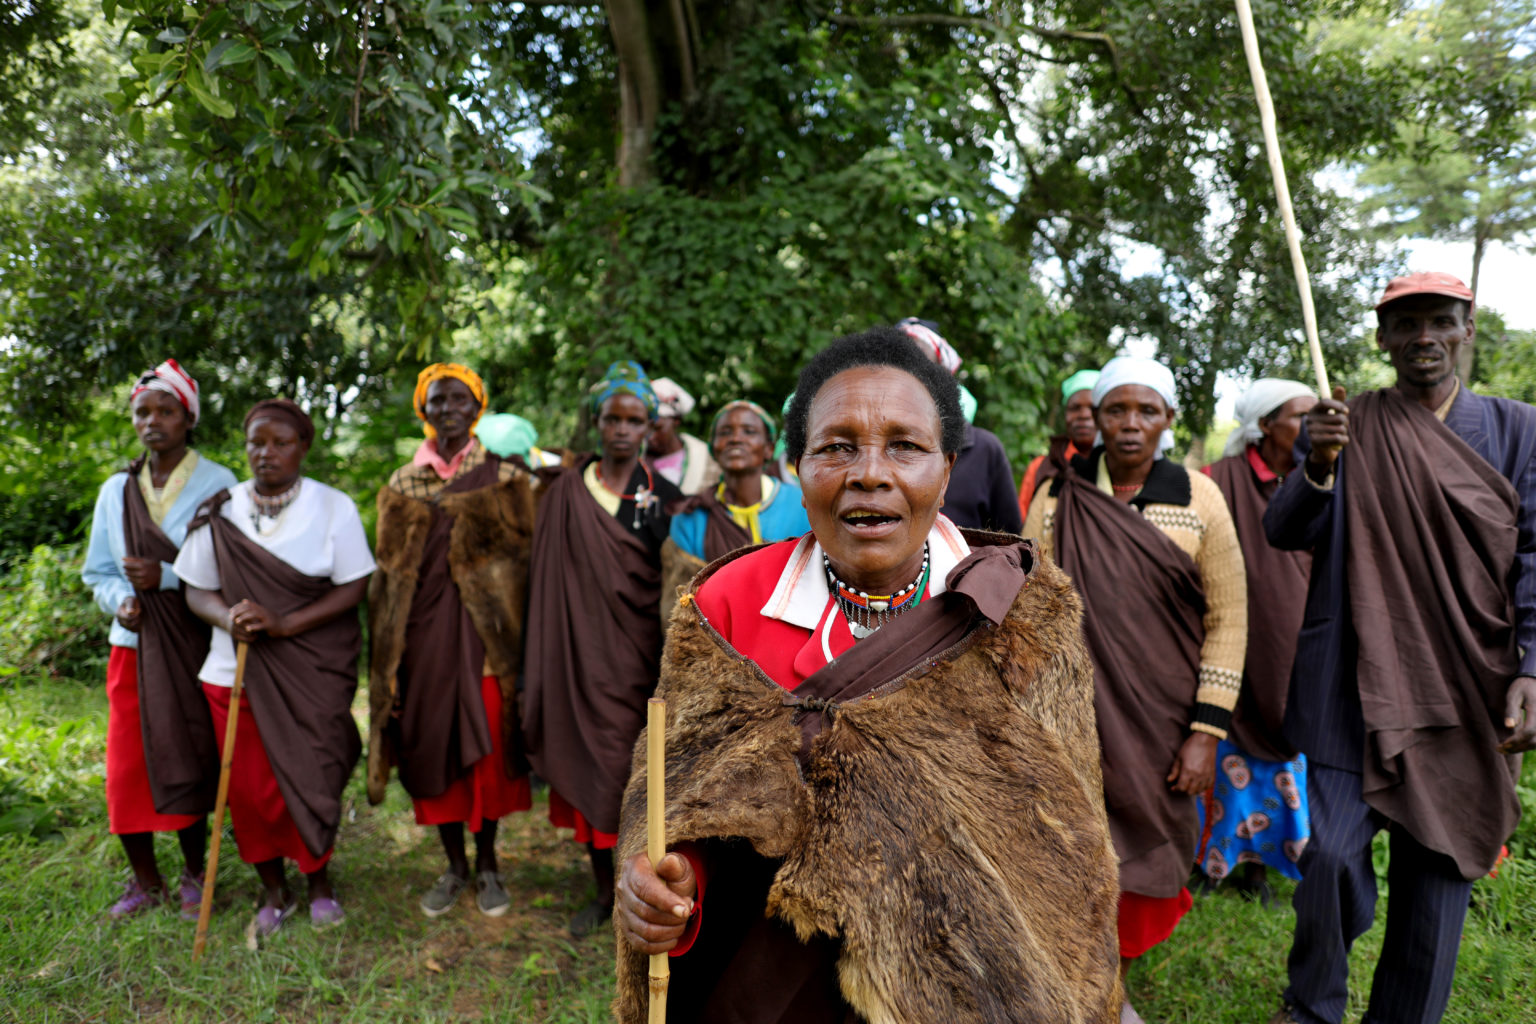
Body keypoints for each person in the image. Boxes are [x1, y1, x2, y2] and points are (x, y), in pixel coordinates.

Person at [612, 328, 1121, 1023]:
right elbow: (681, 809)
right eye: (837, 446)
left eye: (905, 446)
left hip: (972, 985)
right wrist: (668, 885)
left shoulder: (1021, 609)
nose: (870, 473)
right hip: (771, 986)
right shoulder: (727, 603)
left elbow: (1066, 840)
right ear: (798, 467)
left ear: (946, 470)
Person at [1265, 272, 1536, 1024]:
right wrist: (1317, 464)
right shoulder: (1345, 425)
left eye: (1440, 321)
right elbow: (1284, 532)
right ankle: (1313, 1005)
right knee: (1328, 859)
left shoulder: (1518, 431)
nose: (1425, 338)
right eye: (1407, 324)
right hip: (1352, 686)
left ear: (1467, 328)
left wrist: (1535, 668)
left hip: (1466, 692)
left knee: (1439, 876)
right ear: (1383, 337)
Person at [1021, 354, 1247, 1021]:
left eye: (1146, 411)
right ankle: (1083, 991)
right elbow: (1026, 600)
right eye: (1116, 408)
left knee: (1146, 863)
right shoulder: (1061, 495)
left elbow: (1229, 617)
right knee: (1069, 854)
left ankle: (1110, 988)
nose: (1129, 424)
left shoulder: (1199, 498)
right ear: (1096, 416)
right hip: (1073, 720)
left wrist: (1205, 733)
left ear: (1168, 421)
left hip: (1164, 722)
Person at [174, 399, 375, 937]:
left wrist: (286, 624)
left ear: (303, 447)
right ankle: (273, 889)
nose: (266, 453)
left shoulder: (335, 508)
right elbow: (196, 588)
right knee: (250, 791)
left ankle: (320, 883)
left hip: (311, 672)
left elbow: (355, 584)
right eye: (256, 443)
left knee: (314, 777)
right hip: (232, 672)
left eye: (280, 443)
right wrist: (228, 615)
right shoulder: (221, 509)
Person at [366, 364, 536, 918]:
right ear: (424, 409)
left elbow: (526, 563)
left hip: (489, 646)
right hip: (422, 648)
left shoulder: (507, 477)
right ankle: (453, 866)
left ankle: (487, 864)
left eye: (459, 398)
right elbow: (388, 574)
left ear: (477, 406)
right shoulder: (400, 485)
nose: (448, 408)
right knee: (430, 750)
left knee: (485, 756)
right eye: (437, 400)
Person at [522, 361, 685, 937]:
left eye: (633, 419)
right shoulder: (564, 490)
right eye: (611, 418)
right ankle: (600, 890)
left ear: (649, 426)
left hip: (637, 660)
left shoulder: (666, 497)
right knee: (592, 768)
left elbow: (677, 580)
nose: (621, 428)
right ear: (596, 423)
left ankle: (635, 886)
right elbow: (543, 576)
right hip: (576, 654)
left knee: (632, 774)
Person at [82, 359, 237, 919]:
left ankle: (196, 872)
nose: (153, 421)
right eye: (142, 411)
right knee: (127, 766)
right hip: (132, 645)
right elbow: (98, 571)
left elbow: (232, 565)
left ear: (187, 417)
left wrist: (167, 577)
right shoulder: (115, 489)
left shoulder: (220, 483)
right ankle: (145, 881)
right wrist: (119, 599)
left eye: (166, 410)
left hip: (193, 643)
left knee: (190, 751)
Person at [1198, 378, 1318, 902]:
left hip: (1297, 645)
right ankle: (1214, 859)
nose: (1311, 428)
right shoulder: (1215, 481)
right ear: (1266, 424)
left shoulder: (1319, 479)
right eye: (1300, 417)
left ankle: (1263, 868)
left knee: (1286, 750)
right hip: (1232, 640)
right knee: (1228, 752)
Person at [895, 318, 1021, 532]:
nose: (909, 378)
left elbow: (1011, 540)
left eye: (921, 367)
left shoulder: (985, 449)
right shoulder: (863, 446)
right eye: (897, 365)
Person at [668, 399, 810, 563]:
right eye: (725, 432)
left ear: (769, 449)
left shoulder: (803, 506)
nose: (735, 439)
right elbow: (683, 583)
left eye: (749, 431)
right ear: (713, 448)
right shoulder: (690, 515)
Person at [1017, 368, 1100, 519]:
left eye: (1092, 408)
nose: (1084, 415)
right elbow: (1022, 523)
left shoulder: (1120, 468)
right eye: (1075, 408)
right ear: (1065, 414)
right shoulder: (1040, 468)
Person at [646, 376, 720, 495]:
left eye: (657, 428)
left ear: (676, 421)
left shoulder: (707, 460)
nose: (649, 436)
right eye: (643, 427)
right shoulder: (634, 456)